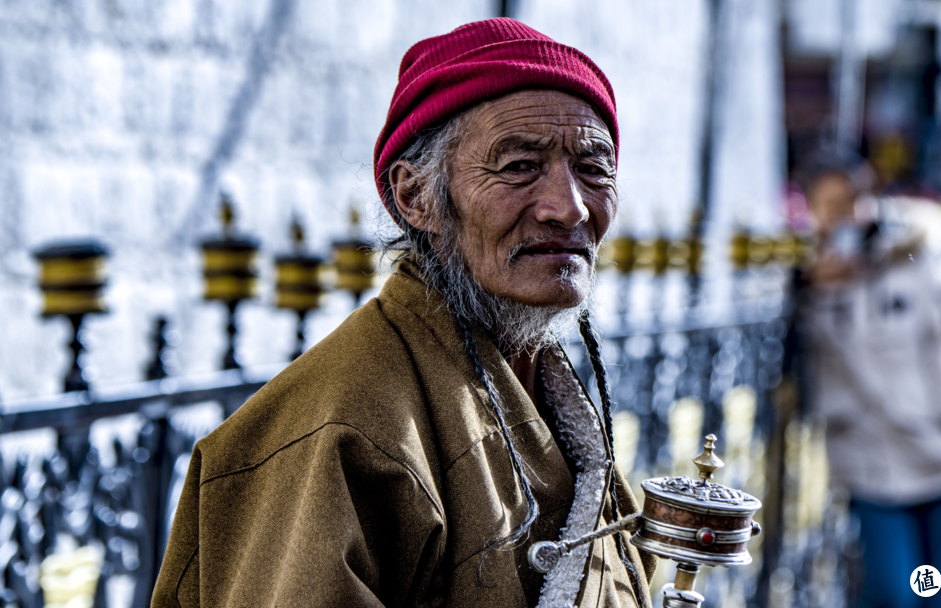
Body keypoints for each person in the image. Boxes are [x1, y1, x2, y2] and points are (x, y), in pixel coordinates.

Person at [151, 18, 655, 608]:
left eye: (594, 169)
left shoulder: (534, 378)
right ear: (417, 197)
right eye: (519, 166)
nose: (568, 208)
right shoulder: (347, 425)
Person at [798, 153, 941, 608]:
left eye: (847, 201)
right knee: (892, 591)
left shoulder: (919, 252)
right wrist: (810, 284)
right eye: (824, 205)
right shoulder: (814, 271)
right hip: (870, 457)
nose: (839, 216)